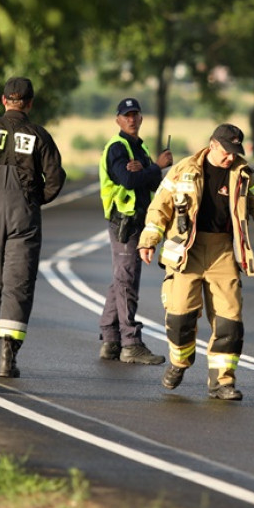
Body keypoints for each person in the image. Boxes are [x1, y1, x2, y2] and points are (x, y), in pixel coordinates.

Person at [138, 124, 254, 400]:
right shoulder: (183, 170)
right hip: (186, 251)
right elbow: (160, 207)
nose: (230, 158)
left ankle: (222, 382)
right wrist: (149, 239)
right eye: (227, 152)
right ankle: (179, 362)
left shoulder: (243, 174)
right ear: (213, 145)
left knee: (229, 320)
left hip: (223, 251)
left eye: (235, 152)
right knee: (180, 317)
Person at [0, 76, 66, 378]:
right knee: (19, 282)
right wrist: (35, 200)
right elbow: (55, 178)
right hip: (24, 212)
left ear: (4, 101)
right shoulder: (39, 135)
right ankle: (7, 359)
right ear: (30, 103)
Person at [98, 98, 173, 364]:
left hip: (137, 221)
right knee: (127, 280)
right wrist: (156, 166)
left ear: (141, 118)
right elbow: (129, 179)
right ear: (117, 120)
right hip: (124, 222)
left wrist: (149, 170)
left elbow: (153, 182)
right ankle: (130, 343)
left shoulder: (138, 148)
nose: (131, 119)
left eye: (135, 114)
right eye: (126, 115)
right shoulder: (118, 148)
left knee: (121, 278)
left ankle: (110, 339)